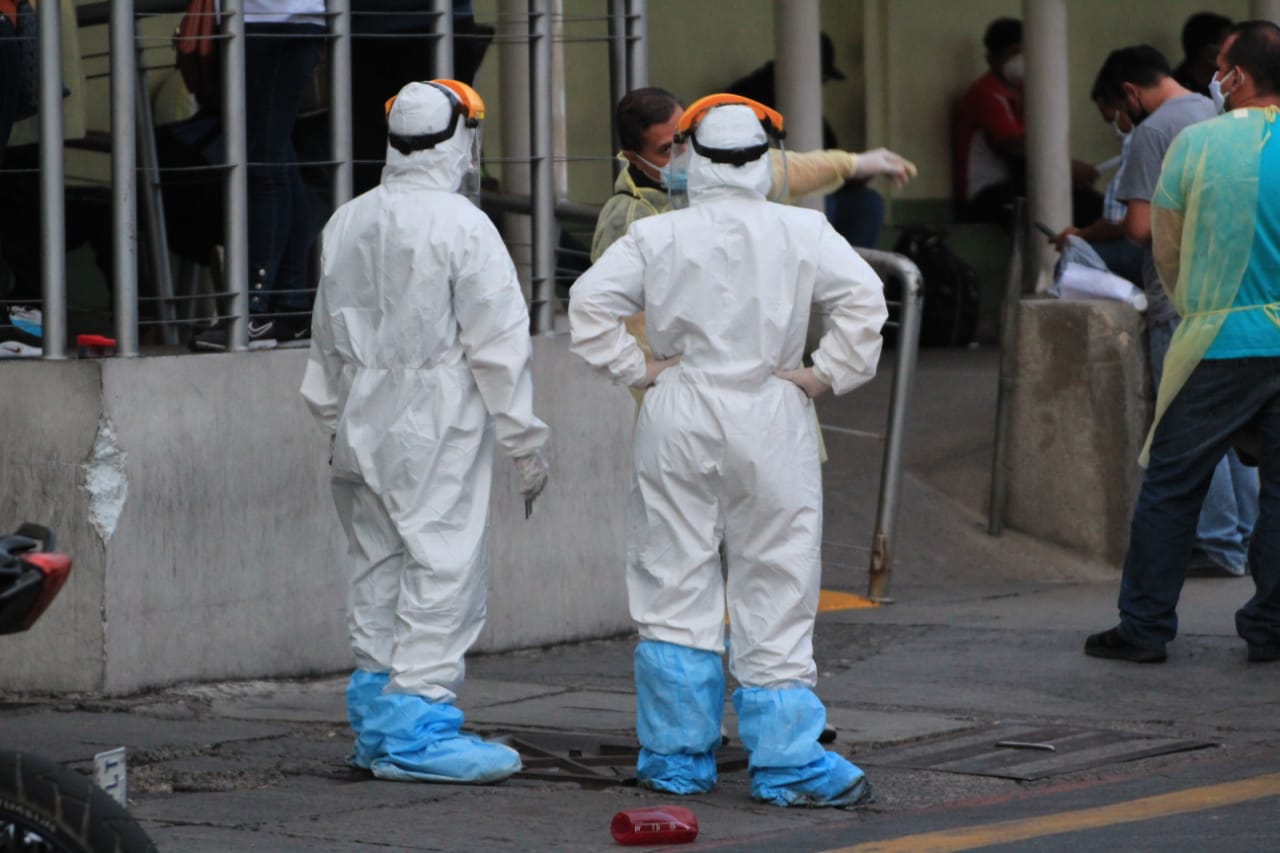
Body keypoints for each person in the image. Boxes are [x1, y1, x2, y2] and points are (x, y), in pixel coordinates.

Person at [569, 94, 887, 807]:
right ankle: (788, 760)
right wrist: (822, 375)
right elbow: (866, 304)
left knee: (673, 577)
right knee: (775, 581)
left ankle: (677, 756)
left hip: (679, 406)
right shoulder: (802, 230)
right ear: (765, 158)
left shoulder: (659, 235)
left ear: (687, 156)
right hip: (773, 409)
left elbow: (589, 308)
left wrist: (638, 370)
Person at [300, 80, 551, 782]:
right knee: (442, 564)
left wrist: (330, 416)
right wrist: (526, 441)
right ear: (462, 139)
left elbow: (322, 337)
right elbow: (499, 344)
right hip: (435, 416)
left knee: (377, 564)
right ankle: (417, 727)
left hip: (359, 413)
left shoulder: (347, 219)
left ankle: (379, 718)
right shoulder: (465, 225)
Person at [1085, 20, 1280, 664]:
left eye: (1219, 66)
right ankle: (1272, 626)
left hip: (1219, 338)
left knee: (1172, 484)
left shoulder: (1196, 146)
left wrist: (1202, 307)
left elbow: (1166, 250)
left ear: (1238, 78)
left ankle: (1144, 627)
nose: (1211, 78)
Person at [1093, 44, 1257, 578]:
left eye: (1115, 114)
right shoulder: (1220, 114)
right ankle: (1245, 539)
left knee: (1184, 436)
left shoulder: (1154, 131)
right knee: (1240, 434)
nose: (1119, 123)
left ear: (1129, 94)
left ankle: (1215, 543)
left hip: (1180, 302)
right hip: (1235, 293)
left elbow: (1142, 230)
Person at [192, 0, 327, 351]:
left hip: (275, 19)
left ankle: (255, 307)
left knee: (264, 164)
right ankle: (288, 305)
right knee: (275, 156)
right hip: (274, 18)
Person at [725, 33, 899, 249]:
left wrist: (855, 171)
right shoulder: (745, 99)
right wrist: (850, 167)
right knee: (821, 204)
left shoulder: (804, 102)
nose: (821, 85)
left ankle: (851, 277)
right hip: (755, 200)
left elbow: (824, 155)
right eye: (823, 78)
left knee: (867, 202)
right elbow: (773, 167)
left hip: (803, 187)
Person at [953, 17, 1101, 227]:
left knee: (1091, 204)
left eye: (1026, 52)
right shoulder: (986, 93)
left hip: (1019, 186)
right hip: (986, 196)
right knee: (1077, 206)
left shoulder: (1026, 93)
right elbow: (1014, 146)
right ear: (992, 59)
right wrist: (1066, 169)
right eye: (1014, 52)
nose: (1021, 59)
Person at [1048, 85, 1143, 286]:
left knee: (1069, 265)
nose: (1113, 127)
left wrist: (1079, 237)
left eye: (1110, 120)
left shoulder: (1138, 140)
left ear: (1125, 105)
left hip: (1154, 253)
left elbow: (1117, 222)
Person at [1172, 12, 1233, 96]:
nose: (1233, 49)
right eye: (1225, 43)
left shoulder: (1230, 84)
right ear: (1205, 50)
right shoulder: (1175, 88)